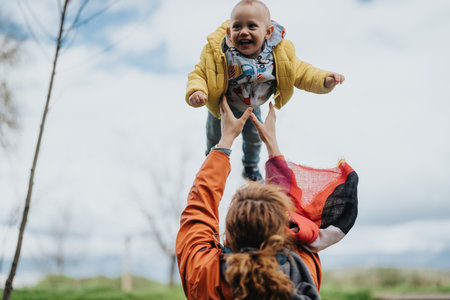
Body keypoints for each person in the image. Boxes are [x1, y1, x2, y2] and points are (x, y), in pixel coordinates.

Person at [176, 98, 324, 300]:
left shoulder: (204, 274)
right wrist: (272, 145)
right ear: (281, 232)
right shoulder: (303, 275)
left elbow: (199, 208)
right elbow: (300, 220)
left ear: (230, 230)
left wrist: (225, 139)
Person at [186, 0, 345, 181]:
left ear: (268, 32)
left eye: (252, 26)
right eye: (237, 26)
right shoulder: (221, 52)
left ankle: (250, 166)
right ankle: (211, 161)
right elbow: (200, 73)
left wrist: (324, 80)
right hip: (223, 107)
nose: (244, 31)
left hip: (252, 108)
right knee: (215, 137)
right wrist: (196, 91)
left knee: (254, 139)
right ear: (230, 32)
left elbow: (301, 72)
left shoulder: (278, 54)